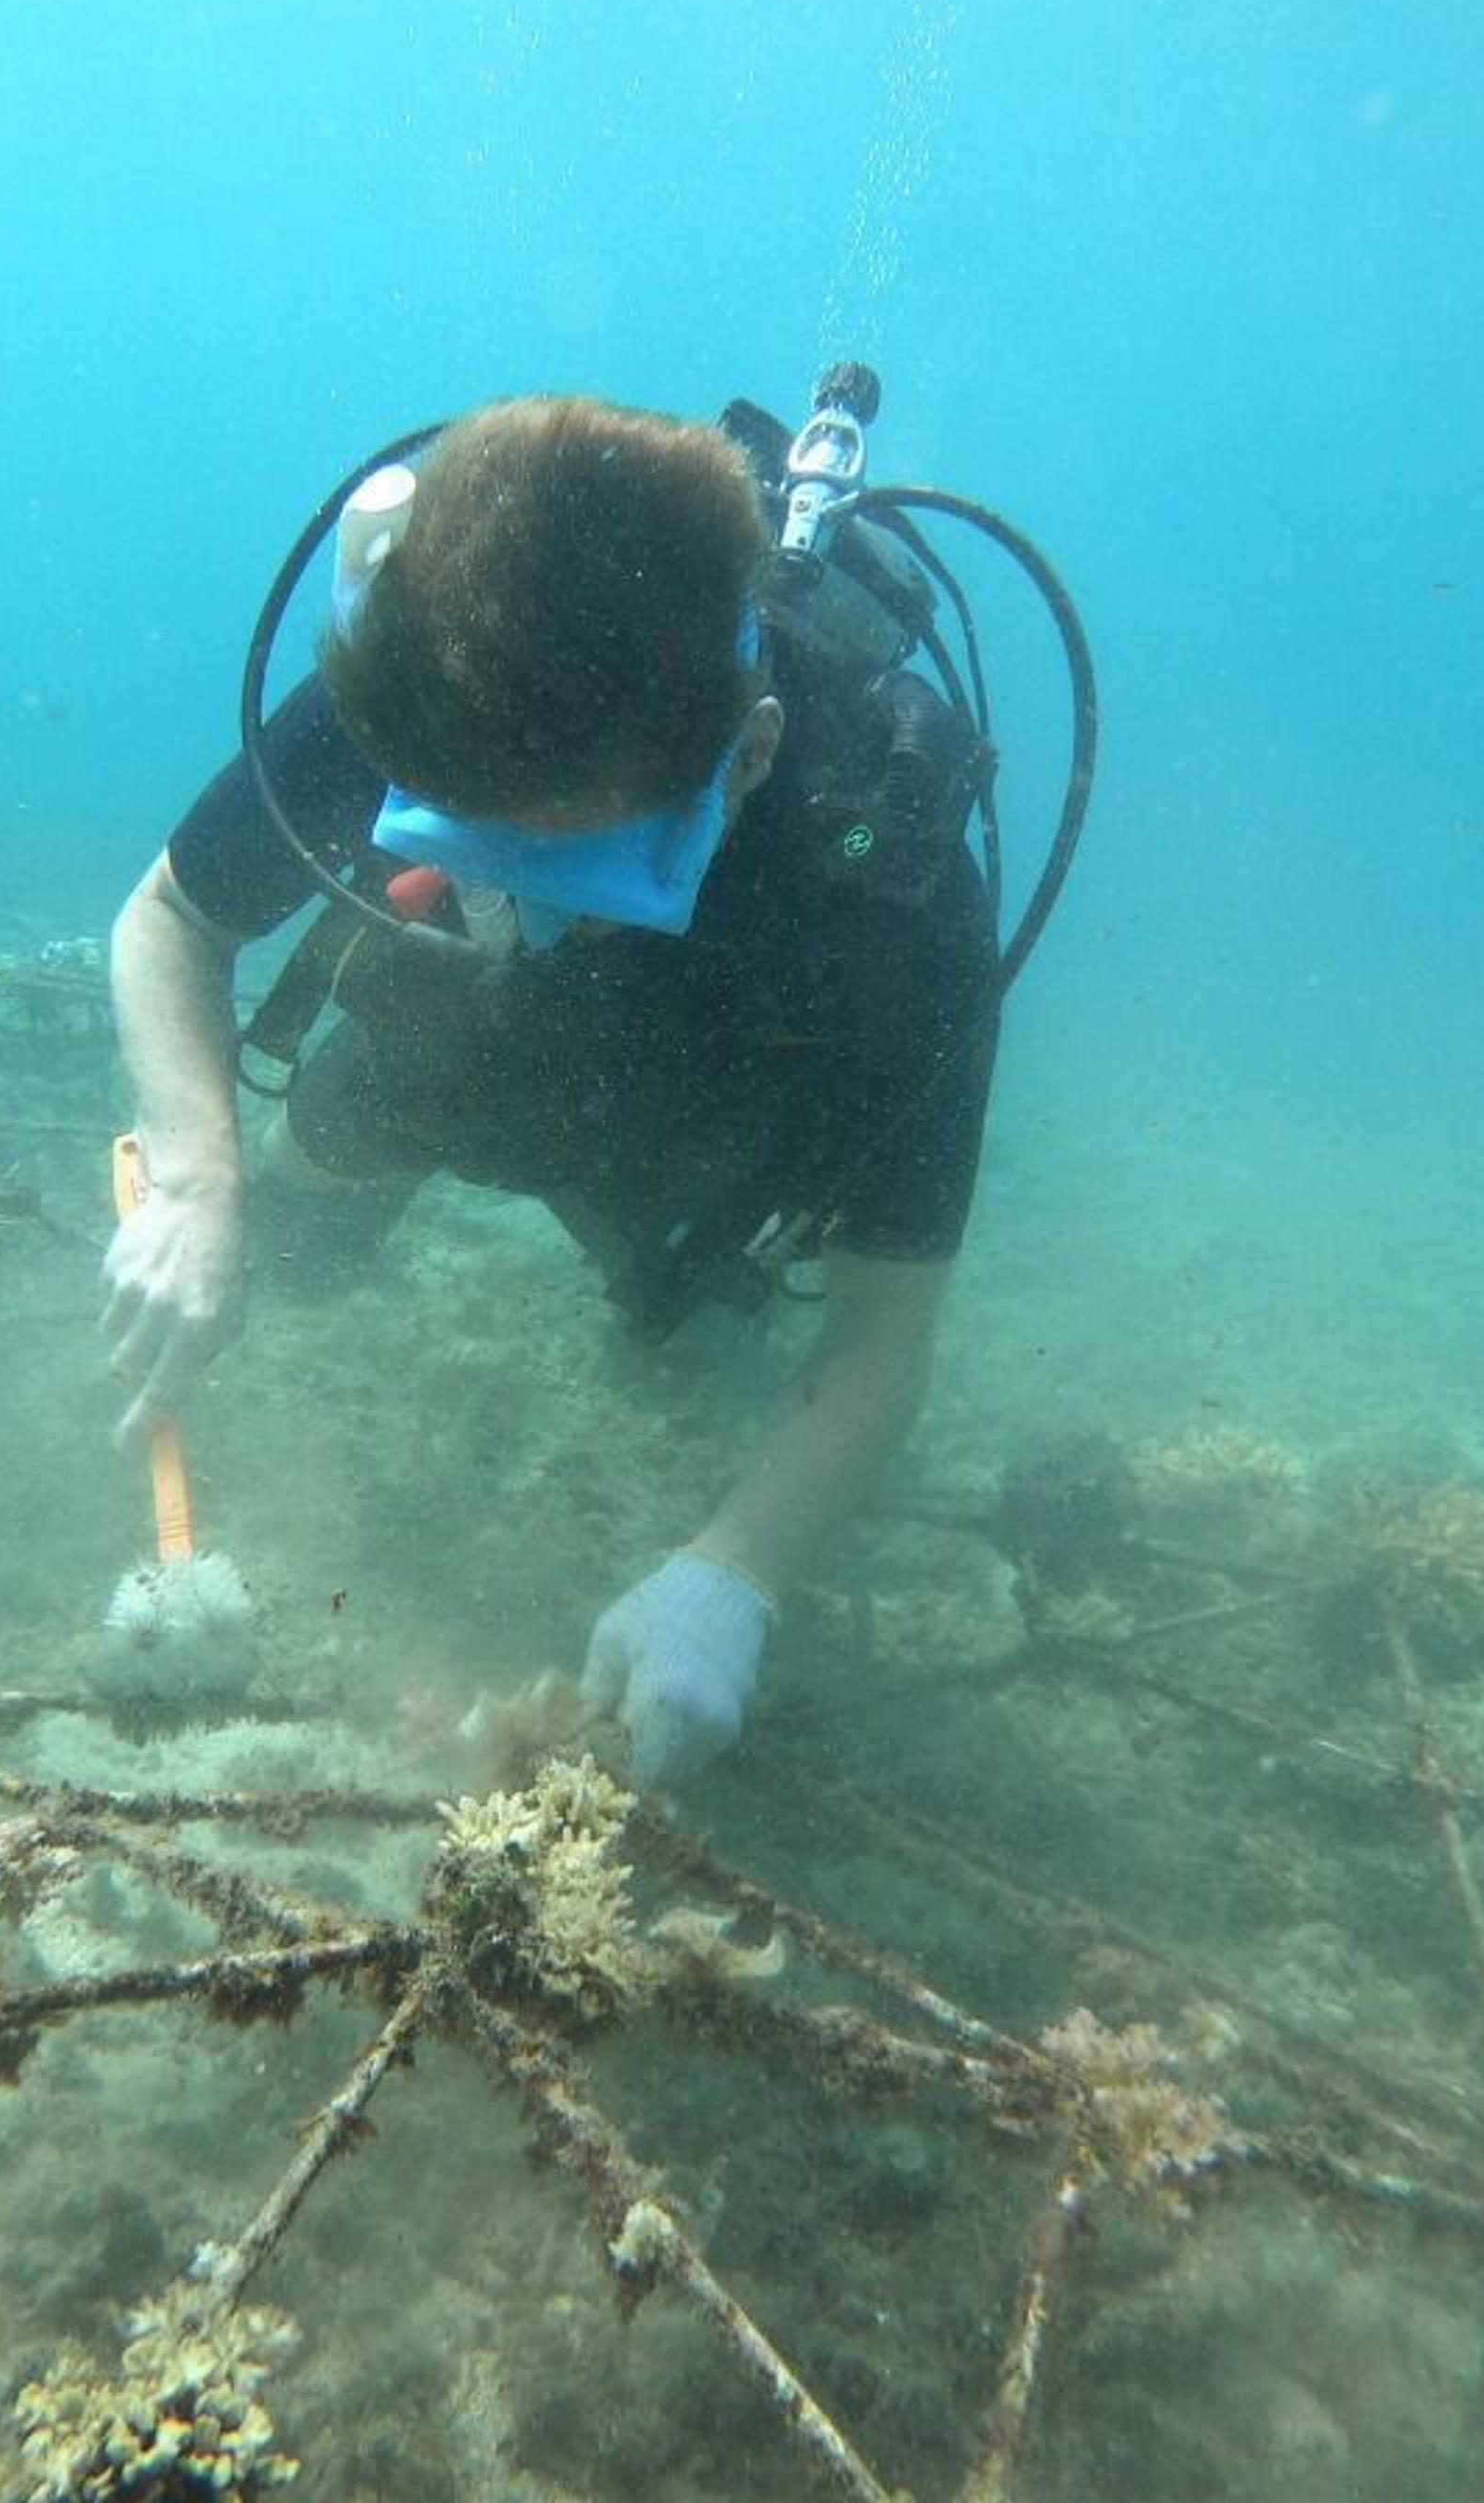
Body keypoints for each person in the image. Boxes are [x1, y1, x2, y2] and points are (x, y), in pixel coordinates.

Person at [100, 391, 1005, 1784]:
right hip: (456, 1054)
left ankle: (654, 1273)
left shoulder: (896, 903)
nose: (520, 912)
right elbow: (172, 918)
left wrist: (736, 1573)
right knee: (325, 1145)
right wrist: (195, 1182)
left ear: (751, 753)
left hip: (708, 1098)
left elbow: (884, 1336)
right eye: (475, 847)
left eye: (577, 867)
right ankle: (327, 1192)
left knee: (670, 1315)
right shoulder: (426, 667)